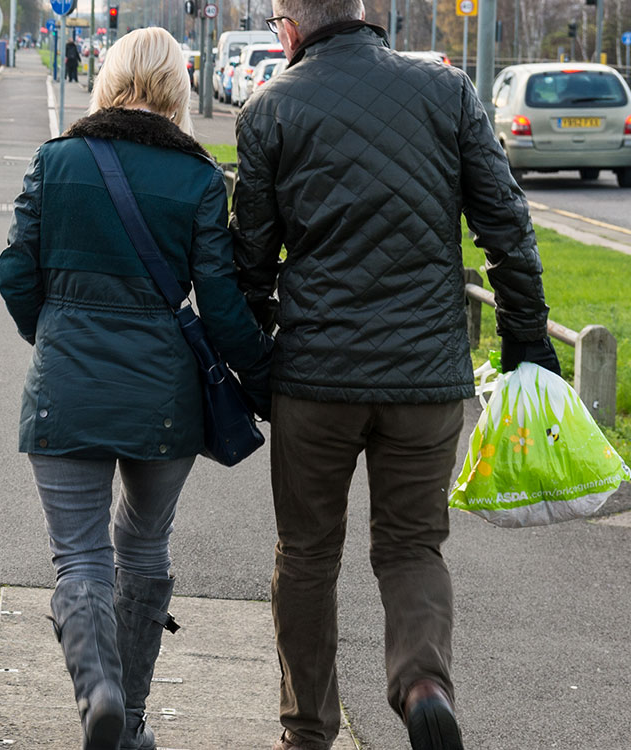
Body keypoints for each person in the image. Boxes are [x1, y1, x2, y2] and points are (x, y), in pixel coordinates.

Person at [229, 1, 556, 748]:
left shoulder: (270, 109)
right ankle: (422, 683)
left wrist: (253, 361)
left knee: (307, 554)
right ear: (367, 14)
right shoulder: (447, 92)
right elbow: (505, 222)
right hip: (425, 376)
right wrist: (527, 341)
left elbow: (247, 258)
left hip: (315, 376)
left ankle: (307, 730)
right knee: (411, 546)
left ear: (288, 27)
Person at [0, 27, 272, 750]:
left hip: (67, 387)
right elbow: (220, 301)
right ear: (180, 89)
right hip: (164, 399)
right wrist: (267, 383)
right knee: (144, 550)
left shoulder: (58, 161)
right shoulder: (199, 179)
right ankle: (134, 722)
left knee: (80, 556)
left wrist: (52, 333)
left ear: (107, 78)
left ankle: (100, 694)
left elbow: (14, 271)